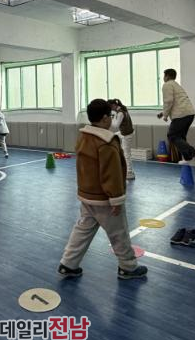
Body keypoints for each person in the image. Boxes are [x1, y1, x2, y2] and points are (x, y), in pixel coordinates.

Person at [58, 99, 147, 280]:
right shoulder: (106, 142)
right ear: (106, 118)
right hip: (104, 199)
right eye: (110, 116)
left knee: (82, 230)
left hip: (87, 196)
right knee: (119, 234)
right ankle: (128, 267)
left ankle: (68, 264)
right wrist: (116, 199)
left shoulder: (84, 137)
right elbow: (112, 174)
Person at [157, 68, 195, 165]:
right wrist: (163, 113)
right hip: (189, 113)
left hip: (181, 115)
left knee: (172, 135)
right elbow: (176, 102)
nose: (163, 78)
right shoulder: (176, 85)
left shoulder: (167, 85)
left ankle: (193, 151)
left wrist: (165, 115)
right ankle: (188, 159)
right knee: (181, 137)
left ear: (167, 76)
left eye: (164, 76)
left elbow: (168, 101)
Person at [109, 98, 135, 180]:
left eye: (110, 107)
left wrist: (110, 119)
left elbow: (116, 126)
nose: (110, 109)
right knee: (112, 136)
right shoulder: (122, 110)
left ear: (114, 105)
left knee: (127, 154)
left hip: (127, 135)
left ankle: (129, 172)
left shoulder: (120, 113)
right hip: (125, 132)